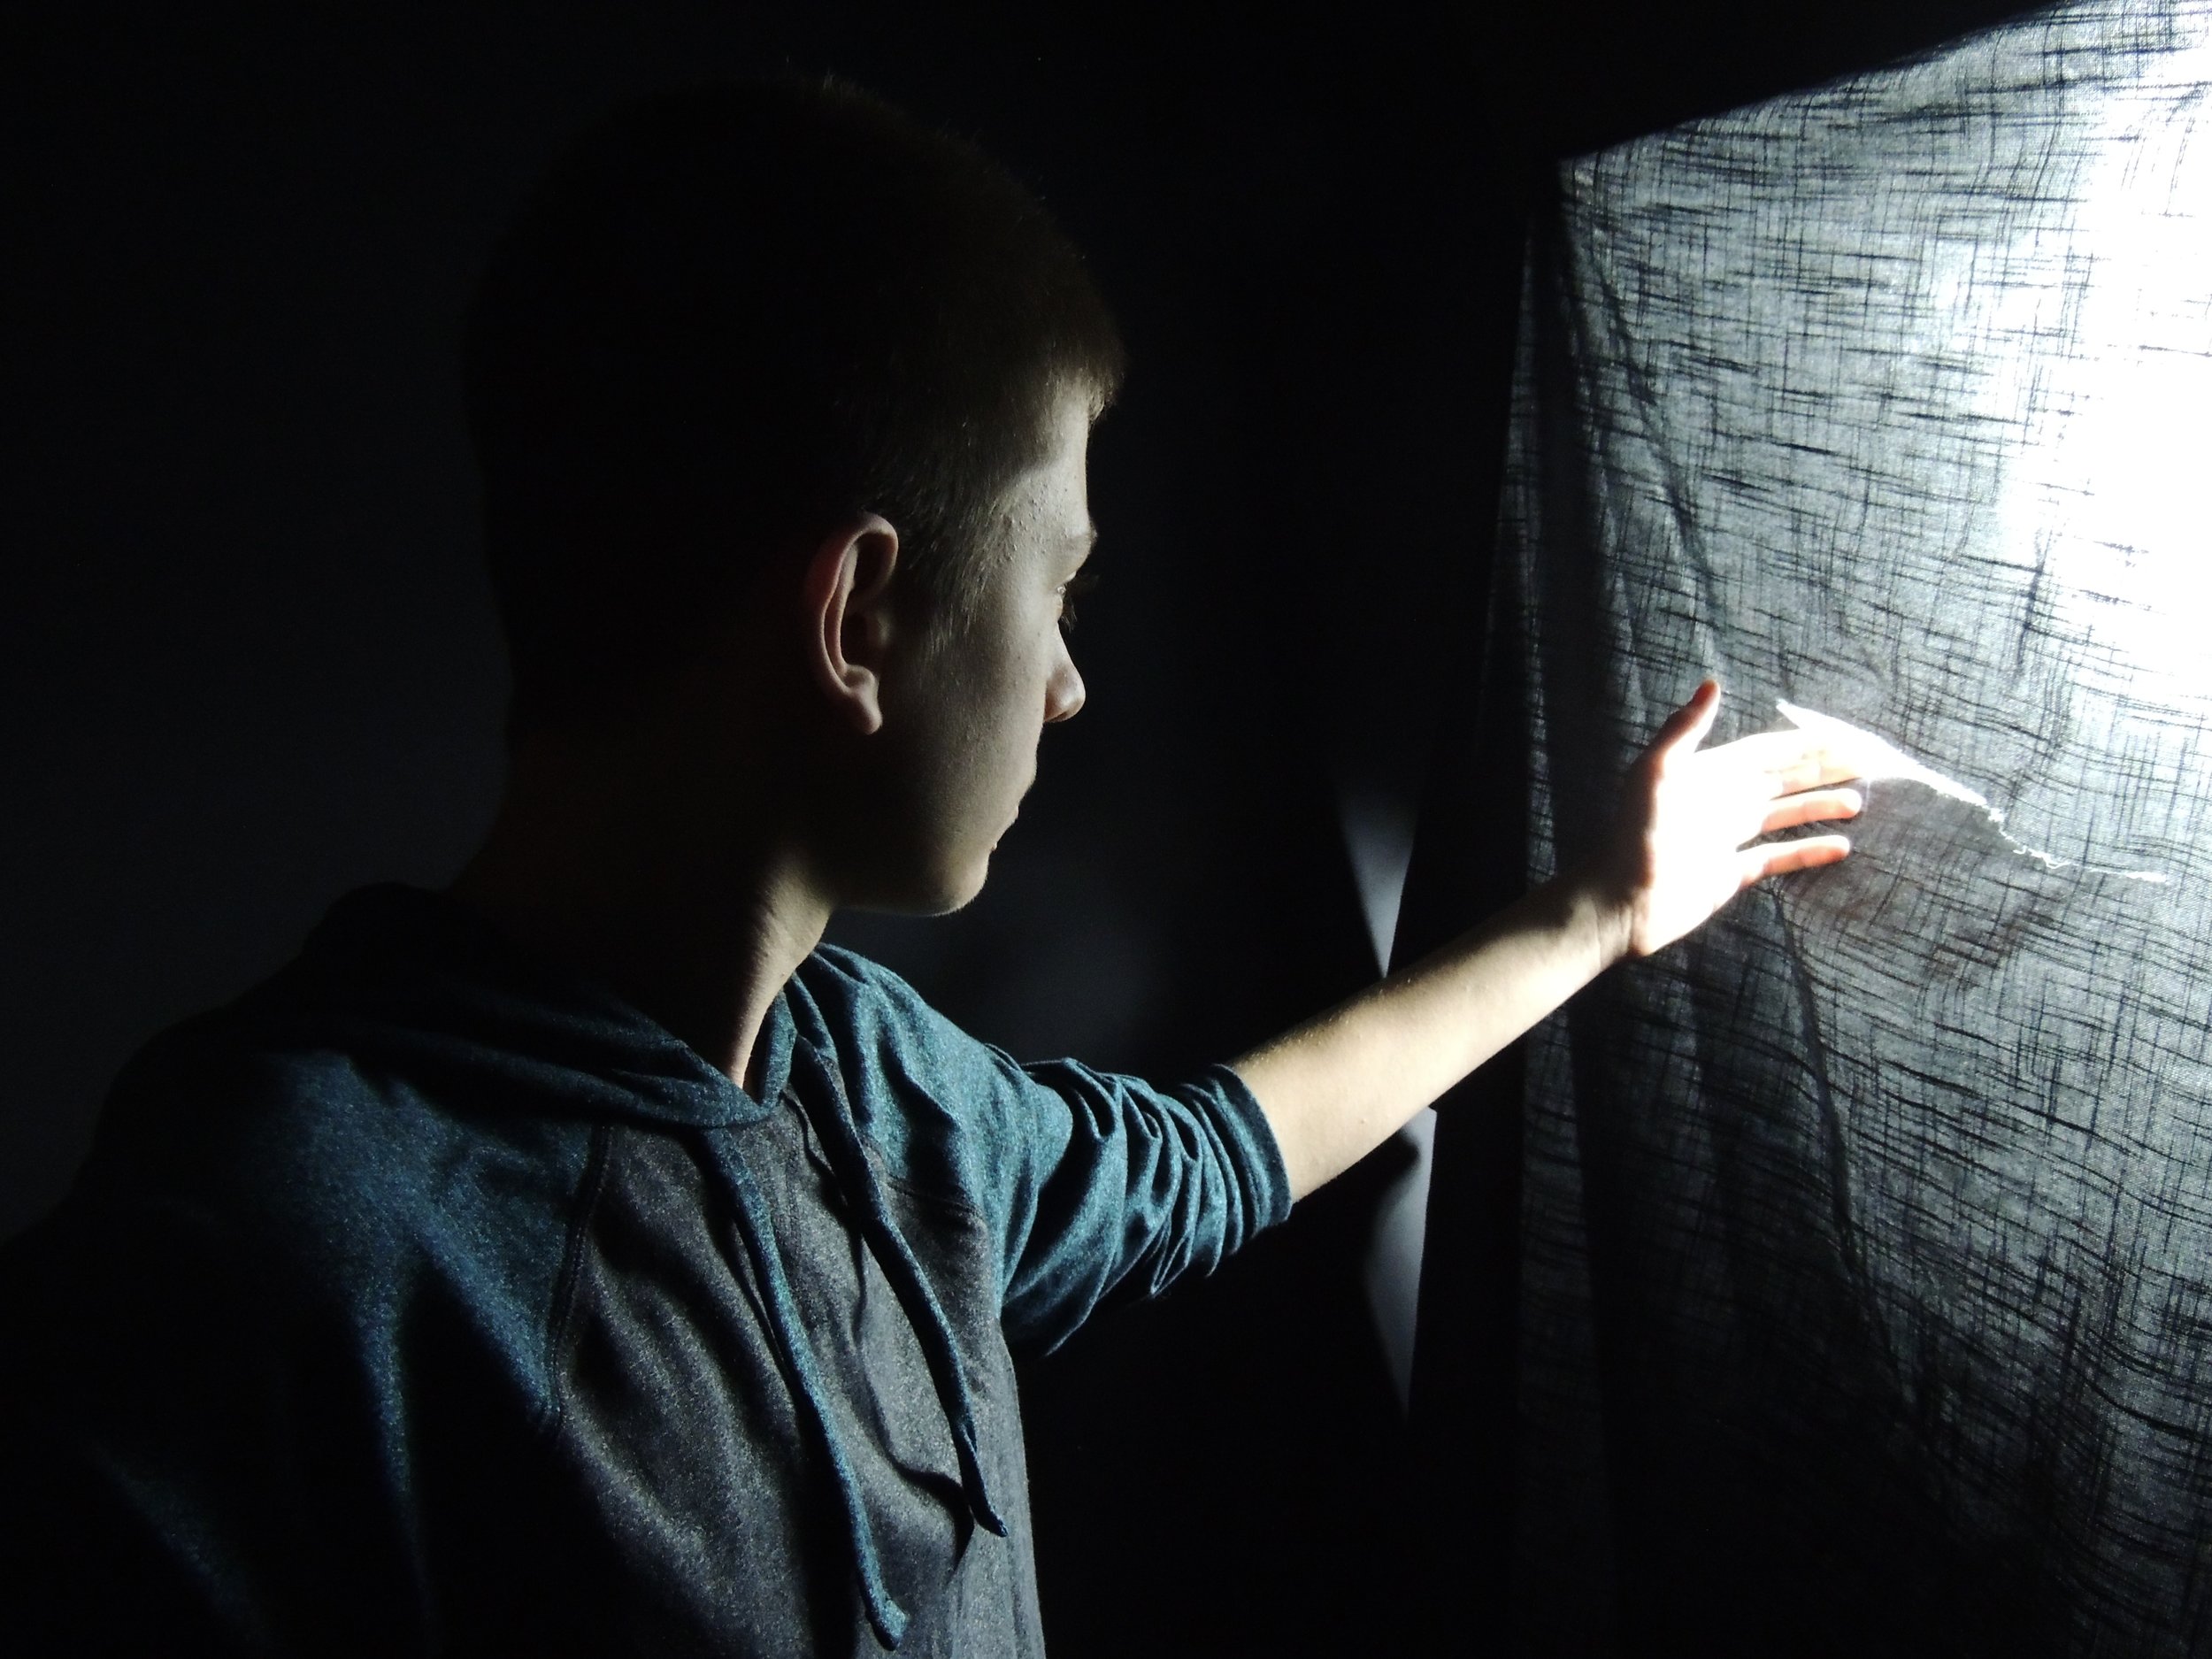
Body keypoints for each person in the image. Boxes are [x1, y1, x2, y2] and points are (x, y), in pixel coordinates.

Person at [0, 76, 1861, 1656]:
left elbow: (1214, 1152)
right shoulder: (271, 1246)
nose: (1065, 685)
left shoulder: (884, 1092)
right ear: (860, 613)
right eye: (1055, 585)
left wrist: (1599, 907)